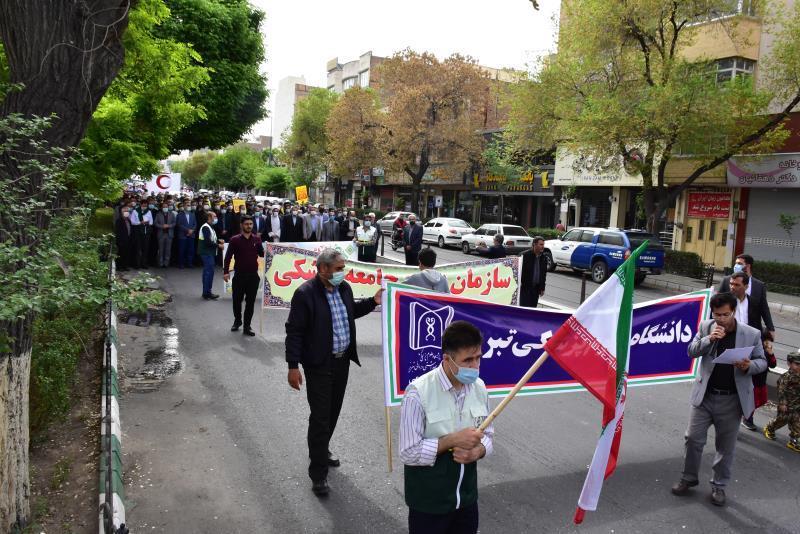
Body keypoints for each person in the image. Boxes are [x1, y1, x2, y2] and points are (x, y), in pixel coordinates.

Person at [285, 249, 382, 496]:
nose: (343, 273)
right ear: (323, 269)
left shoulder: (344, 288)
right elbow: (294, 331)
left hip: (342, 363)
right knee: (320, 417)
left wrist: (373, 301)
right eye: (339, 269)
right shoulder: (305, 294)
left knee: (332, 412)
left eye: (343, 268)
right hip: (318, 364)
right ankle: (318, 474)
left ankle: (321, 449)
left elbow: (352, 312)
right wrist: (293, 366)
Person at [671, 292, 766, 507]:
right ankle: (688, 478)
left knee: (725, 446)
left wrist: (749, 366)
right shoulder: (706, 327)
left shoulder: (751, 334)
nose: (721, 319)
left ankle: (719, 486)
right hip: (705, 395)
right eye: (717, 315)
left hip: (731, 399)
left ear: (733, 311)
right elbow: (691, 351)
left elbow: (762, 362)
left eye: (725, 314)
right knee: (692, 438)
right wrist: (709, 339)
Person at [400, 320, 493, 534]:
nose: (475, 366)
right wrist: (451, 440)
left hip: (467, 500)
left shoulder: (480, 388)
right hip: (428, 504)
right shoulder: (418, 393)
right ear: (447, 359)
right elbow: (408, 452)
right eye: (467, 360)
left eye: (478, 357)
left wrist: (478, 452)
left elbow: (488, 435)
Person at [718, 254, 775, 340]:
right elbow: (717, 304)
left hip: (750, 331)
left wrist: (770, 328)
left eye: (739, 263)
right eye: (736, 263)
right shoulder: (726, 280)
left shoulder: (759, 285)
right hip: (728, 331)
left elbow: (764, 308)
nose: (736, 266)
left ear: (748, 266)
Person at [223, 215, 264, 336]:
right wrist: (226, 272)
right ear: (241, 225)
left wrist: (269, 250)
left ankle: (247, 326)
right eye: (246, 224)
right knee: (237, 301)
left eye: (250, 224)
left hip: (253, 276)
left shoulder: (257, 239)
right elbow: (228, 257)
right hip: (239, 276)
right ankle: (237, 321)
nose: (249, 226)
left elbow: (262, 254)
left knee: (250, 302)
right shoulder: (234, 240)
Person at [763, 351, 800, 452]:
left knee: (797, 424)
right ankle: (770, 428)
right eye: (796, 364)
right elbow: (781, 390)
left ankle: (794, 440)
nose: (799, 366)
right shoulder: (787, 376)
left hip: (797, 406)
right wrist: (783, 403)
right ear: (789, 363)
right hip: (787, 405)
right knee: (781, 420)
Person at [198, 211, 224, 300]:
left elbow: (211, 239)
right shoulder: (206, 227)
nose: (216, 218)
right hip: (206, 252)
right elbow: (207, 241)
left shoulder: (210, 227)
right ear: (209, 217)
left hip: (209, 252)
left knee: (209, 272)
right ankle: (206, 293)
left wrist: (218, 240)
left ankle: (207, 292)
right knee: (208, 273)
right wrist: (218, 245)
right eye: (214, 216)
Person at [519, 237, 547, 308]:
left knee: (533, 308)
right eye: (541, 244)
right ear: (534, 244)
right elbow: (519, 272)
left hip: (536, 289)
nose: (543, 246)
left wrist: (542, 288)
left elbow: (543, 274)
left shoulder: (544, 258)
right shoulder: (524, 256)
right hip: (525, 288)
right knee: (524, 308)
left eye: (543, 244)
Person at [130, 199, 153, 268]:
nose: (144, 207)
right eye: (143, 205)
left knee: (145, 248)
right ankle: (137, 264)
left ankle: (144, 263)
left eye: (146, 206)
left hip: (146, 231)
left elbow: (151, 221)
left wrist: (148, 223)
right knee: (138, 248)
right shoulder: (135, 211)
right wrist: (140, 222)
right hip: (138, 231)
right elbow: (132, 222)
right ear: (141, 204)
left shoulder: (149, 211)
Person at [154, 202, 176, 267]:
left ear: (168, 207)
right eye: (164, 207)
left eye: (166, 207)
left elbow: (174, 223)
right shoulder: (158, 214)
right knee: (161, 250)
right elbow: (155, 223)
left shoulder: (172, 214)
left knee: (168, 250)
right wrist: (162, 226)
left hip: (169, 234)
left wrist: (169, 226)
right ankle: (160, 263)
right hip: (161, 234)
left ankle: (166, 263)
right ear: (161, 208)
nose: (165, 208)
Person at [175, 202, 197, 269]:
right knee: (182, 250)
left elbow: (195, 224)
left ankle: (189, 263)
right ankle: (181, 264)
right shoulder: (179, 215)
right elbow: (179, 224)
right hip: (182, 235)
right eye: (187, 205)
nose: (189, 206)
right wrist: (187, 230)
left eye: (189, 205)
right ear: (184, 206)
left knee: (191, 250)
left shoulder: (192, 214)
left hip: (191, 235)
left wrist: (192, 230)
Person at [114, 205, 134, 271]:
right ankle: (119, 267)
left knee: (127, 253)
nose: (126, 212)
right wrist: (119, 241)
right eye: (125, 211)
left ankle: (125, 266)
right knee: (121, 254)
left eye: (127, 211)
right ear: (121, 212)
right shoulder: (119, 221)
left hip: (128, 240)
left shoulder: (129, 220)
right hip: (121, 241)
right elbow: (117, 232)